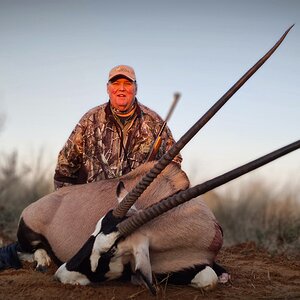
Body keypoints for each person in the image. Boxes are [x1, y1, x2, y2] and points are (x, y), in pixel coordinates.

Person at [54, 65, 182, 189]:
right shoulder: (89, 120)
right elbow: (65, 167)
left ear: (136, 89)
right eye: (115, 83)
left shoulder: (155, 123)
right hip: (94, 206)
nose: (121, 88)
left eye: (127, 83)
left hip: (142, 207)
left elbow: (174, 163)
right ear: (107, 88)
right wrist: (70, 205)